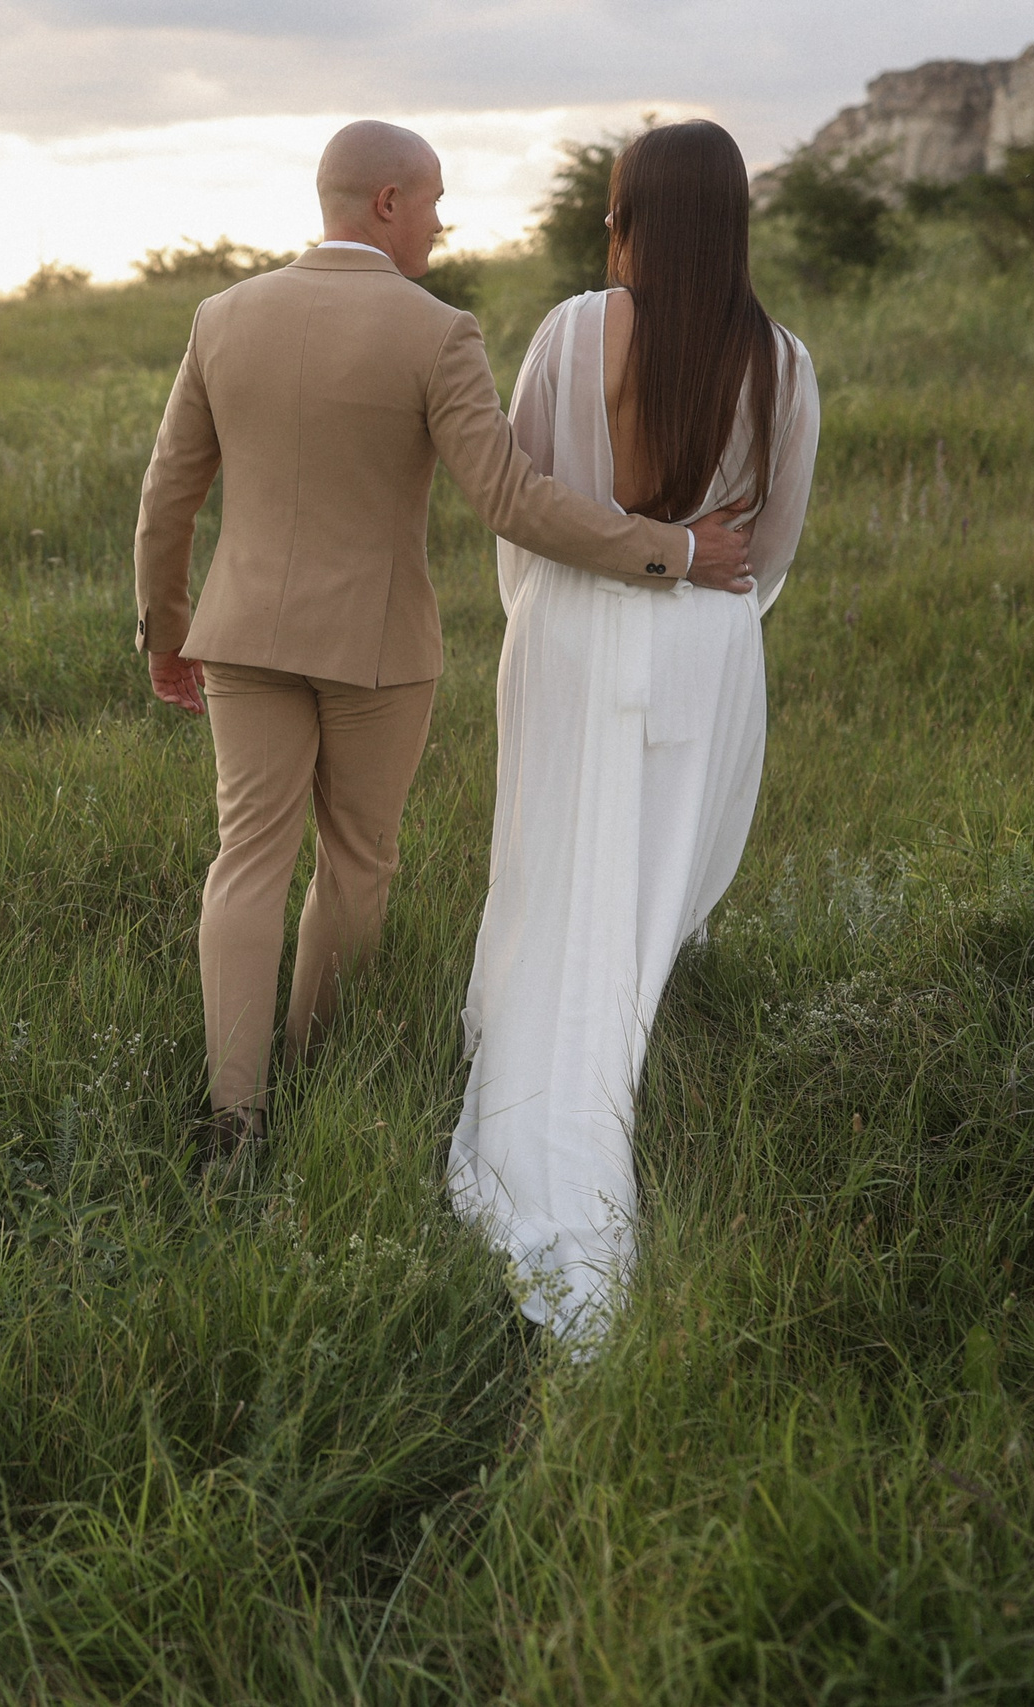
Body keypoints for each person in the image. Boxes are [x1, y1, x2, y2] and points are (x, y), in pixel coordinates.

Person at [134, 119, 758, 1180]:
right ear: (385, 202)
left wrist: (164, 626)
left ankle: (234, 1120)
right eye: (431, 200)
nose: (440, 219)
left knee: (245, 861)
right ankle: (314, 1067)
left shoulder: (221, 316)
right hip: (377, 650)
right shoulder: (435, 332)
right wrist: (674, 551)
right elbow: (511, 501)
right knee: (357, 864)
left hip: (239, 636)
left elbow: (168, 494)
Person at [446, 120, 822, 1348]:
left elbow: (532, 500)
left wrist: (555, 608)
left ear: (631, 216)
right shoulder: (784, 360)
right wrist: (704, 608)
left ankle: (548, 1071)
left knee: (556, 864)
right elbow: (766, 555)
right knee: (655, 879)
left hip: (573, 627)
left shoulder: (571, 329)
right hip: (707, 642)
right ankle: (625, 1027)